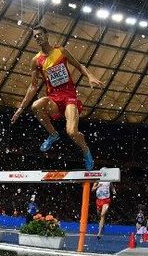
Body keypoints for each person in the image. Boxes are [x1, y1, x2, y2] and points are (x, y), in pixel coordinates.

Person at [11, 25, 104, 170]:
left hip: (69, 97)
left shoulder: (60, 51)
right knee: (35, 106)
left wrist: (90, 76)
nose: (37, 37)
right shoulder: (36, 60)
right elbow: (33, 86)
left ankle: (85, 150)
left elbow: (80, 66)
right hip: (53, 99)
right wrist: (21, 109)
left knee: (72, 132)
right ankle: (53, 134)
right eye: (35, 36)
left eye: (40, 34)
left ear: (47, 35)